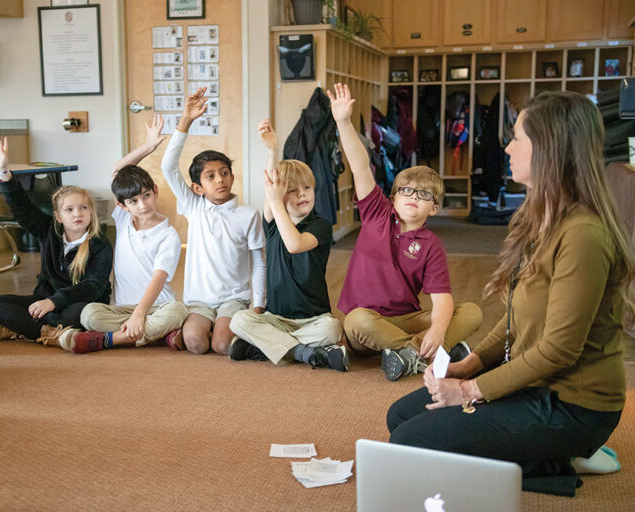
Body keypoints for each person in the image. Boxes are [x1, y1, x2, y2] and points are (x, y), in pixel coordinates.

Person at [387, 91, 632, 496]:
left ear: (549, 148)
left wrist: (468, 391)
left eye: (517, 137)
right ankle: (541, 454)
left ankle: (561, 459)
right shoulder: (544, 215)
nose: (506, 146)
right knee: (402, 416)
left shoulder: (584, 234)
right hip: (538, 385)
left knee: (410, 443)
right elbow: (517, 314)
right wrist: (473, 364)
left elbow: (558, 350)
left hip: (575, 405)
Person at [328, 83, 482, 381]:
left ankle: (409, 354)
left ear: (434, 208)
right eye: (406, 190)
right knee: (356, 321)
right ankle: (426, 354)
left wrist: (437, 329)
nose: (413, 196)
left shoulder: (431, 245)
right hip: (369, 320)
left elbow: (441, 299)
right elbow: (360, 167)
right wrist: (343, 122)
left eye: (423, 195)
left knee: (472, 311)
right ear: (393, 196)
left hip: (408, 319)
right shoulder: (376, 212)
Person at [229, 120, 347, 371]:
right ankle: (305, 353)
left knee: (333, 329)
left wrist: (276, 201)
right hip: (277, 318)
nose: (302, 194)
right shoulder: (272, 223)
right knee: (239, 320)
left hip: (314, 319)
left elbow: (294, 244)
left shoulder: (320, 225)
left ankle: (265, 348)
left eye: (306, 188)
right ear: (280, 195)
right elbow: (272, 191)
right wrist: (273, 151)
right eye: (292, 190)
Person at [160, 88, 265, 355]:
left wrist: (258, 304)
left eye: (224, 173)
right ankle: (197, 328)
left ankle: (223, 328)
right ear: (197, 188)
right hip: (199, 300)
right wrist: (185, 121)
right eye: (210, 176)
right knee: (196, 343)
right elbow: (168, 168)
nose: (219, 179)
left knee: (221, 346)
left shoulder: (248, 214)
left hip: (234, 298)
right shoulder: (193, 206)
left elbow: (258, 261)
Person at [73, 116, 188, 354]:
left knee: (178, 311)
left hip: (157, 307)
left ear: (155, 192)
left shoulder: (169, 235)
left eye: (146, 196)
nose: (143, 205)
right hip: (123, 308)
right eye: (134, 201)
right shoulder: (124, 219)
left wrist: (140, 314)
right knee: (88, 314)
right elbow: (118, 170)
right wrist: (148, 146)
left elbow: (158, 280)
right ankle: (156, 336)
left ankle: (113, 339)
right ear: (122, 206)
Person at [0, 136, 113, 348]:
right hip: (46, 301)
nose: (77, 214)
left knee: (77, 313)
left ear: (91, 211)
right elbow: (22, 208)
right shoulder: (49, 231)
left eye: (83, 208)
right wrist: (3, 173)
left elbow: (92, 287)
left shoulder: (100, 244)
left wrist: (54, 302)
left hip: (78, 304)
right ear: (58, 217)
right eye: (69, 210)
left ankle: (23, 329)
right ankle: (48, 333)